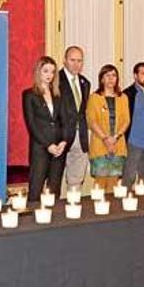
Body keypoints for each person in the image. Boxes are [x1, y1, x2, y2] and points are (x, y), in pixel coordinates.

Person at [22, 56, 67, 201]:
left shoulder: (59, 95)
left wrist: (63, 142)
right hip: (40, 147)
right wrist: (48, 145)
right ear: (38, 72)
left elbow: (65, 121)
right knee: (35, 188)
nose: (49, 75)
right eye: (46, 71)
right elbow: (31, 125)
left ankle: (52, 221)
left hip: (58, 149)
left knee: (54, 189)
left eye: (53, 72)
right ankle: (32, 222)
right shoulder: (29, 95)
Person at [86, 65, 130, 184]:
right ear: (101, 79)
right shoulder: (94, 98)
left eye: (114, 75)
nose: (111, 78)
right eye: (107, 75)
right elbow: (92, 120)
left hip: (118, 144)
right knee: (100, 183)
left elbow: (126, 120)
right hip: (100, 144)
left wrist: (115, 138)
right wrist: (105, 139)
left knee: (114, 184)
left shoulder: (123, 98)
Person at [59, 46, 91, 190]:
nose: (76, 64)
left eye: (79, 60)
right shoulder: (55, 80)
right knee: (54, 179)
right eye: (72, 60)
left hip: (81, 135)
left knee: (76, 178)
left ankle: (73, 207)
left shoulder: (85, 82)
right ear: (65, 60)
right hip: (60, 136)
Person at [121, 62, 144, 187]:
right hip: (132, 144)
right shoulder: (127, 94)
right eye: (143, 73)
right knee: (128, 178)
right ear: (135, 76)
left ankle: (143, 205)